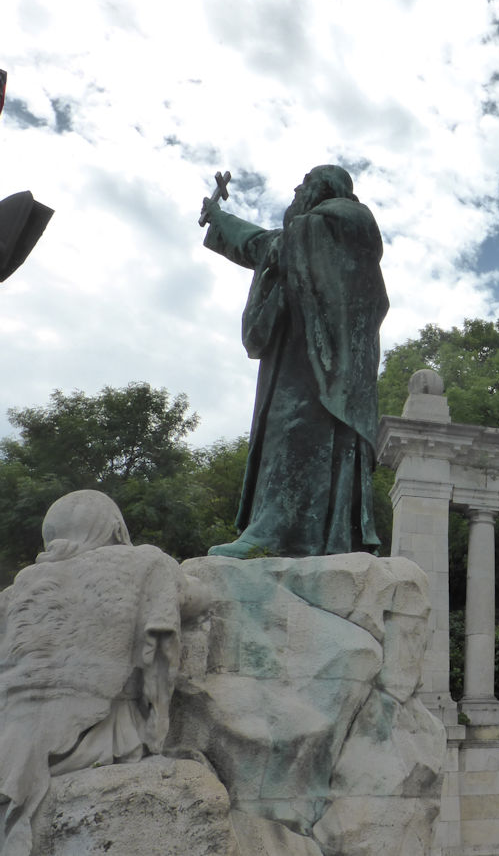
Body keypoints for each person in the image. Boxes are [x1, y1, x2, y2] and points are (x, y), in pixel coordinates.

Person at [0, 490, 210, 856]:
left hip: (11, 730)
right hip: (93, 730)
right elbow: (198, 598)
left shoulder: (18, 586)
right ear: (116, 528)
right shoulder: (143, 561)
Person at [201, 165, 389, 558]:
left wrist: (241, 231)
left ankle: (274, 532)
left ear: (326, 187)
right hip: (298, 351)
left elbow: (275, 244)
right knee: (279, 435)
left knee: (296, 431)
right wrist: (221, 221)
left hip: (327, 366)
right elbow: (266, 245)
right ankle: (287, 533)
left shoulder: (349, 218)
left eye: (304, 183)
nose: (295, 188)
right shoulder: (305, 235)